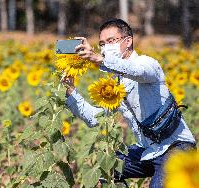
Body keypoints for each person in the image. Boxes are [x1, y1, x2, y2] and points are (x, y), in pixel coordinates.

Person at [61, 18, 196, 188]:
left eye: (111, 41)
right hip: (147, 151)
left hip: (176, 147)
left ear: (128, 41)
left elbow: (137, 71)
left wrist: (100, 60)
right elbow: (95, 118)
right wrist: (70, 90)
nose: (105, 47)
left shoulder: (148, 64)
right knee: (105, 167)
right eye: (102, 44)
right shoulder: (117, 83)